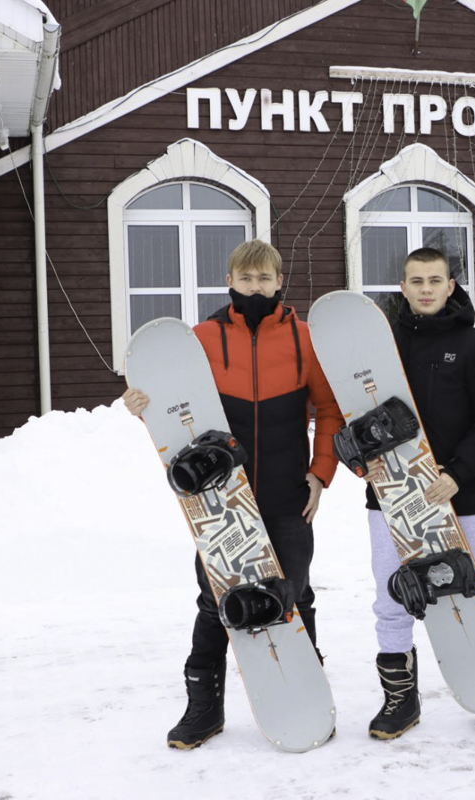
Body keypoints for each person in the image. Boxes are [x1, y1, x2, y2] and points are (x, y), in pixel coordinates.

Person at [122, 239, 341, 750]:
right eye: (247, 279)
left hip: (289, 492)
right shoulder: (201, 337)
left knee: (295, 596)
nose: (256, 287)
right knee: (215, 601)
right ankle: (204, 710)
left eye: (265, 278)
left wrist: (320, 473)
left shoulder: (304, 338)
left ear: (280, 281)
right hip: (222, 499)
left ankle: (306, 703)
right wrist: (140, 403)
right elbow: (169, 403)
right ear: (230, 282)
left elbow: (329, 409)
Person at [361, 247, 475, 740]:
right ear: (402, 288)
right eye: (416, 281)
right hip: (391, 498)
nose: (426, 289)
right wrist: (363, 460)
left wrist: (458, 472)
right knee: (393, 595)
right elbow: (356, 413)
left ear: (451, 285)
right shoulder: (380, 346)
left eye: (435, 280)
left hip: (463, 493)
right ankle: (400, 699)